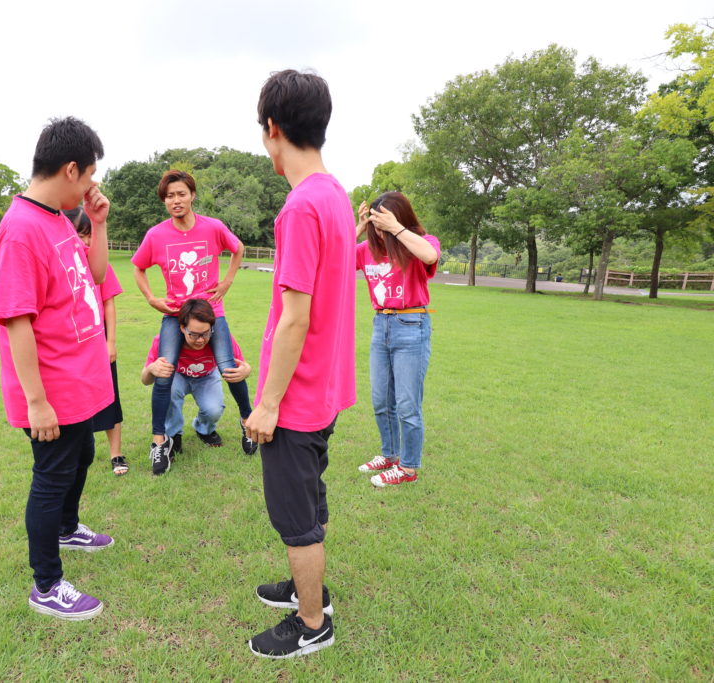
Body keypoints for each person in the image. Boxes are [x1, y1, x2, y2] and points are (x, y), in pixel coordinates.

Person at [245, 70, 356, 659]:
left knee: (296, 518)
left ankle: (312, 623)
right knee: (310, 502)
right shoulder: (334, 194)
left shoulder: (301, 206)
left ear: (273, 128)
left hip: (297, 399)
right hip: (324, 390)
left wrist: (266, 404)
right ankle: (306, 588)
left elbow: (295, 318)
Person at [0, 117, 115, 621]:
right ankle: (46, 584)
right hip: (52, 389)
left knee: (81, 456)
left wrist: (98, 223)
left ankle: (67, 528)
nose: (90, 185)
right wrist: (37, 402)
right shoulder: (21, 231)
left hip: (79, 380)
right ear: (70, 169)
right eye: (89, 175)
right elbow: (16, 322)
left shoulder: (58, 218)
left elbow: (96, 276)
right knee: (51, 476)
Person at [131, 170, 255, 475]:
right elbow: (138, 267)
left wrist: (226, 281)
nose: (176, 200)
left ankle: (248, 423)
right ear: (164, 200)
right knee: (164, 370)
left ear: (192, 195)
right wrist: (151, 298)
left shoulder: (212, 227)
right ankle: (160, 441)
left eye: (181, 194)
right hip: (175, 314)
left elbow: (238, 248)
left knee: (229, 366)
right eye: (169, 196)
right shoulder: (156, 235)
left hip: (211, 311)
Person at [354, 192, 440, 487]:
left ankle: (408, 468)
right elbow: (333, 260)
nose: (379, 231)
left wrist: (396, 228)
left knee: (407, 404)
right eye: (375, 224)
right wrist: (359, 227)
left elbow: (430, 256)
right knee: (381, 400)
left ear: (399, 218)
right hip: (381, 324)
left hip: (411, 324)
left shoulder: (420, 241)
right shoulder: (367, 249)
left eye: (384, 223)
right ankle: (389, 455)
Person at [140, 299, 253, 462]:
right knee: (169, 391)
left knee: (214, 409)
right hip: (177, 376)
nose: (200, 340)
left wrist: (246, 370)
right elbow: (145, 381)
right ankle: (172, 435)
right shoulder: (164, 341)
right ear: (182, 328)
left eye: (205, 333)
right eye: (193, 334)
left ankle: (204, 429)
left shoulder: (220, 339)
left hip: (206, 377)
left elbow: (241, 366)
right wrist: (151, 369)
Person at [64, 206, 128, 476]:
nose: (87, 242)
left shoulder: (99, 261)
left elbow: (109, 303)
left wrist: (110, 342)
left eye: (90, 235)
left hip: (98, 341)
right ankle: (76, 453)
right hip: (71, 345)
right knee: (74, 400)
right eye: (81, 235)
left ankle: (116, 453)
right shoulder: (62, 262)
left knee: (110, 396)